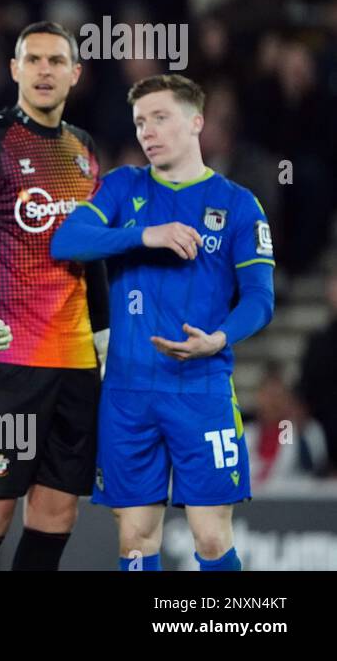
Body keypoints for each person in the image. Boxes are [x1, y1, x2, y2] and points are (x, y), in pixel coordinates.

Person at [52, 73, 275, 571]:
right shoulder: (122, 187)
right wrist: (143, 235)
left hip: (202, 387)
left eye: (160, 118)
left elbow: (261, 299)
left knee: (211, 538)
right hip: (127, 392)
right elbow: (65, 242)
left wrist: (218, 339)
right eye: (139, 122)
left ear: (196, 122)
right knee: (135, 540)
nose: (147, 132)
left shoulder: (238, 204)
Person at [0, 22, 110, 572]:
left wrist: (105, 341)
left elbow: (96, 256)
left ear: (75, 74)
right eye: (32, 59)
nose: (44, 70)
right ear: (14, 69)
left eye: (56, 61)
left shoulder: (84, 151)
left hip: (77, 360)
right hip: (6, 357)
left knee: (57, 514)